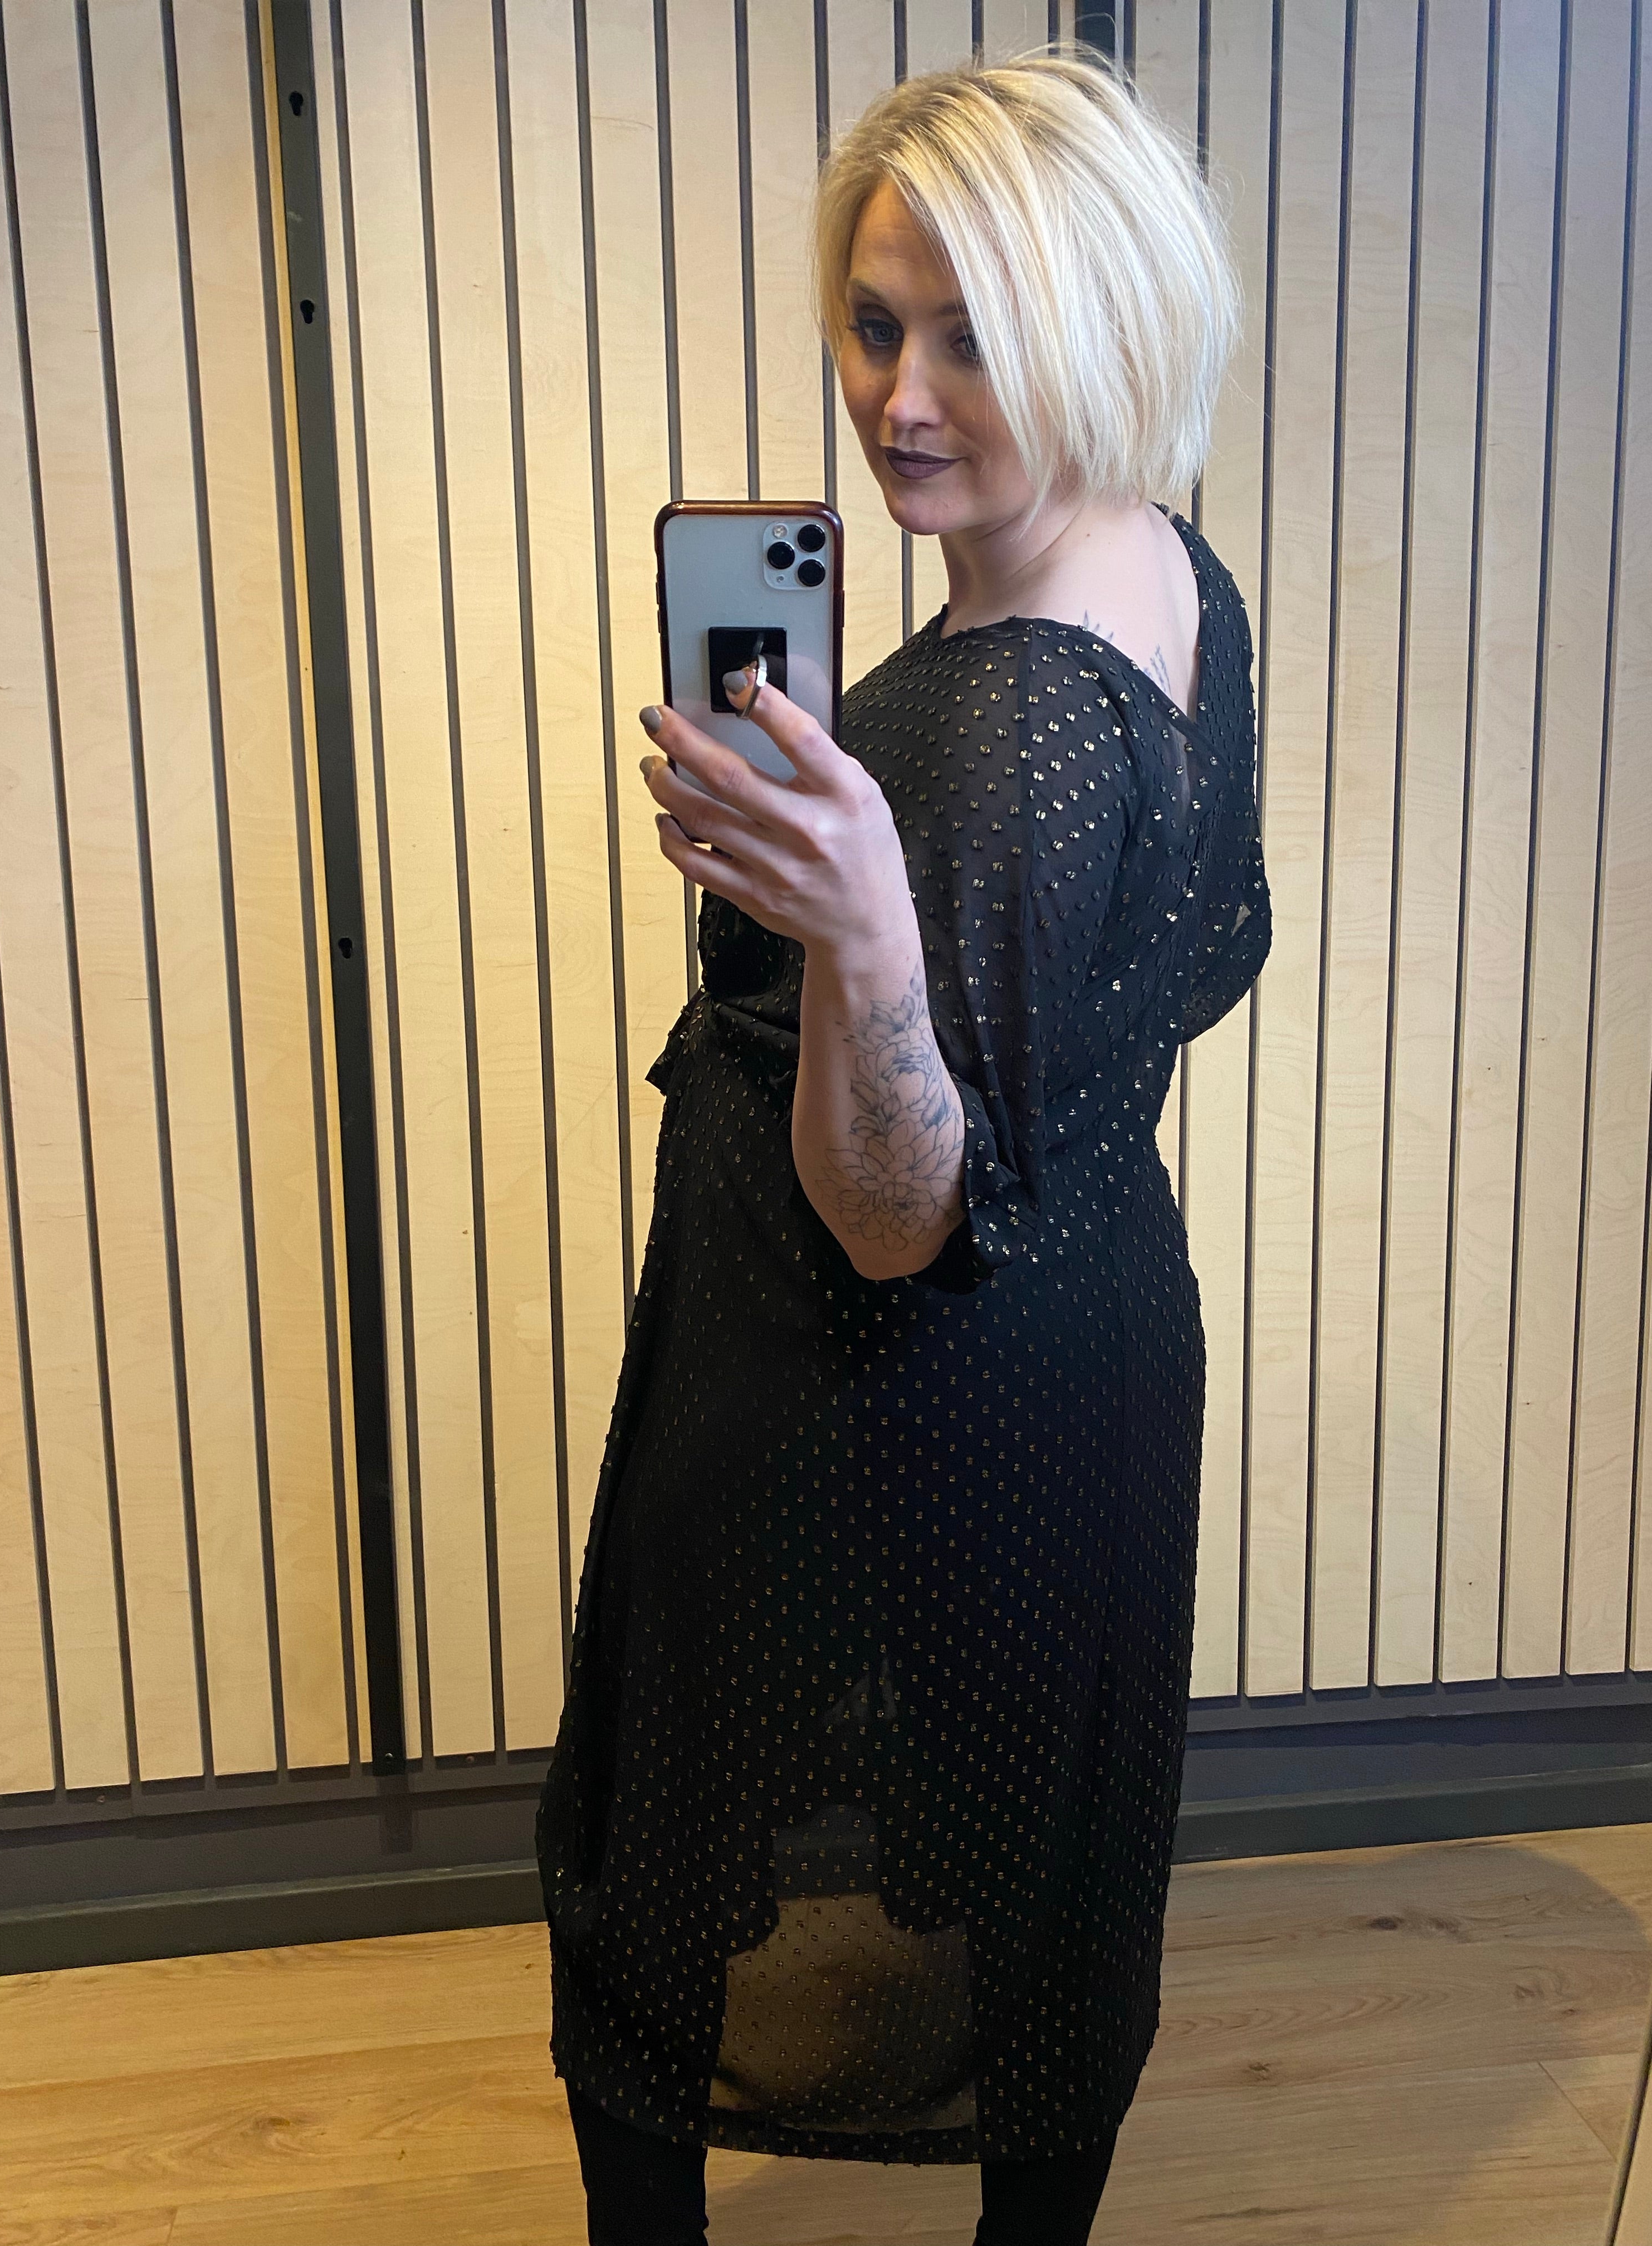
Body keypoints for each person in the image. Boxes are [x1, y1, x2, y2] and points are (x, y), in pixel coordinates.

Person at [536, 46, 1269, 2246]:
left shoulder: (1008, 711)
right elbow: (1199, 947)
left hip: (862, 1380)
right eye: (876, 323)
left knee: (669, 1857)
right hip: (1088, 1340)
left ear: (1104, 326)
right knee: (1031, 1854)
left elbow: (890, 1215)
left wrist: (860, 931)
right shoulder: (1171, 575)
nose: (902, 397)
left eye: (975, 334)